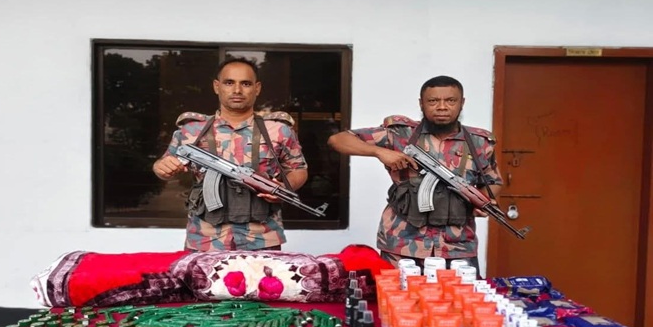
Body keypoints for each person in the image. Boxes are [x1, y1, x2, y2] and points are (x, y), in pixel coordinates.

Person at [327, 75, 502, 274]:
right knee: (396, 292)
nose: (442, 107)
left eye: (450, 100)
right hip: (403, 243)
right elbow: (338, 140)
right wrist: (379, 152)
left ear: (462, 103)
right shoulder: (399, 134)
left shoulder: (479, 142)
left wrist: (481, 201)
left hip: (457, 246)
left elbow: (493, 181)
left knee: (458, 293)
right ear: (421, 104)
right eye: (433, 101)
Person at [152, 57, 309, 251]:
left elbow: (298, 169)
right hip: (205, 238)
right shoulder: (192, 130)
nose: (237, 90)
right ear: (216, 86)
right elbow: (164, 166)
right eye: (229, 82)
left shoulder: (278, 130)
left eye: (246, 83)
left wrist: (284, 188)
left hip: (262, 238)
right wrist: (162, 168)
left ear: (257, 88)